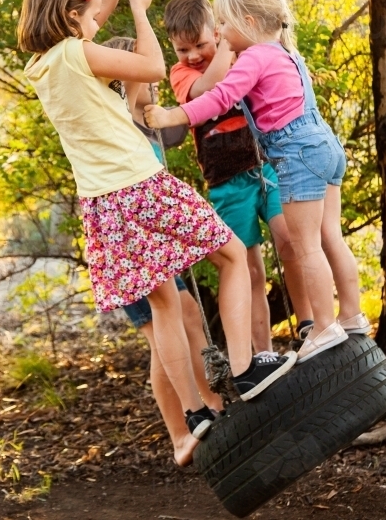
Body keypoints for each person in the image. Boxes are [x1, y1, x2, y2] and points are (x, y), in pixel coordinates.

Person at [17, 0, 266, 466]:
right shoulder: (79, 54)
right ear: (71, 14)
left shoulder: (45, 63)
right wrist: (142, 11)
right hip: (140, 186)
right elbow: (154, 68)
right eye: (89, 6)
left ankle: (195, 416)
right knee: (230, 255)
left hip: (103, 206)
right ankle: (248, 367)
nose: (97, 8)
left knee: (165, 309)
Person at [144, 0, 368, 363]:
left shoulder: (253, 57)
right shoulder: (286, 49)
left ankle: (324, 326)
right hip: (322, 143)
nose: (222, 32)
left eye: (224, 25)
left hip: (294, 154)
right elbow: (257, 11)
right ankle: (352, 316)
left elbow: (221, 97)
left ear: (247, 22)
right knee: (330, 236)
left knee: (305, 245)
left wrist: (171, 117)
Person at [163, 0, 315, 353]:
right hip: (227, 183)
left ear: (217, 30)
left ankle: (308, 321)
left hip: (264, 165)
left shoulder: (240, 47)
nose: (193, 55)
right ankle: (262, 349)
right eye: (183, 49)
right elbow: (203, 91)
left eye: (200, 44)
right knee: (249, 268)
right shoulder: (184, 73)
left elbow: (263, 18)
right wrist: (223, 51)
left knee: (289, 238)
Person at [101, 36, 224, 459]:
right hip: (127, 247)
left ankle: (212, 404)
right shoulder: (117, 123)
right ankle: (178, 435)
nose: (154, 82)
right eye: (143, 74)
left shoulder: (147, 124)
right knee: (160, 334)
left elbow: (181, 121)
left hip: (150, 246)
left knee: (187, 313)